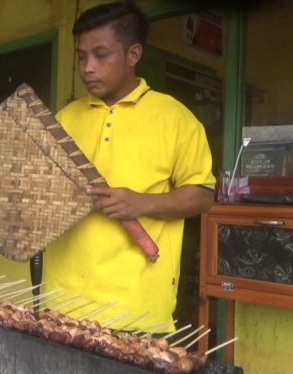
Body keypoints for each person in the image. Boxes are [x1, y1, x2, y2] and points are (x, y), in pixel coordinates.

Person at [43, 2, 216, 332]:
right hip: (61, 298)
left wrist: (142, 203)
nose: (87, 68)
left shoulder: (175, 119)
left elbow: (203, 195)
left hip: (136, 308)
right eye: (81, 56)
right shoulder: (65, 119)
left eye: (101, 54)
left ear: (133, 54)